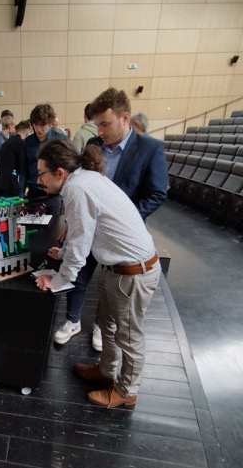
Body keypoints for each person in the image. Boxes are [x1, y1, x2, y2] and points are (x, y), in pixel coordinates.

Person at [35, 139, 161, 408]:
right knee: (107, 325)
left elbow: (80, 244)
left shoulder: (77, 188)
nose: (38, 180)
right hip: (118, 269)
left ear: (59, 172)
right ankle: (106, 372)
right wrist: (63, 252)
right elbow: (82, 230)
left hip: (132, 273)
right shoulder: (82, 179)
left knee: (129, 336)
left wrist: (57, 280)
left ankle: (126, 391)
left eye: (41, 173)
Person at [53, 88, 168, 350]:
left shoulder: (150, 148)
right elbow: (82, 192)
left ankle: (101, 327)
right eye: (97, 125)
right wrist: (71, 223)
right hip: (90, 226)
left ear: (124, 117)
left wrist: (122, 219)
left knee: (112, 287)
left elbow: (157, 193)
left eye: (105, 124)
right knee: (80, 274)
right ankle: (72, 320)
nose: (100, 131)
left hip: (119, 236)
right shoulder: (94, 144)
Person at [19, 103, 66, 217]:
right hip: (33, 194)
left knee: (54, 227)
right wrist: (21, 196)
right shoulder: (27, 143)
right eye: (36, 125)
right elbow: (23, 171)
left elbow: (69, 168)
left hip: (53, 195)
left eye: (43, 125)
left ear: (50, 123)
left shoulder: (60, 140)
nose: (39, 129)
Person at [0, 120, 31, 198]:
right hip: (7, 185)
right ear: (27, 131)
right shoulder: (20, 143)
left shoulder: (7, 142)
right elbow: (23, 167)